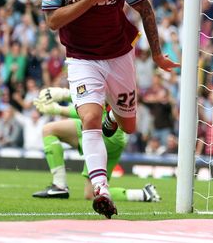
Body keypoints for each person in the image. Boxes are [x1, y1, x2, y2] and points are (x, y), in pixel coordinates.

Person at [41, 0, 179, 219]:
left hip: (119, 55)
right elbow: (52, 21)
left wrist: (156, 54)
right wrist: (91, 0)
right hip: (80, 58)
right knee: (88, 116)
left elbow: (144, 6)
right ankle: (101, 188)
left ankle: (112, 118)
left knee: (128, 126)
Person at [32, 87, 161, 203]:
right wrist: (63, 94)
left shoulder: (106, 71)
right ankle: (59, 186)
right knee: (49, 130)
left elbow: (91, 108)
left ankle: (59, 186)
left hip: (106, 136)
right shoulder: (104, 70)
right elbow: (89, 96)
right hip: (103, 131)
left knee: (92, 194)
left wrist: (59, 104)